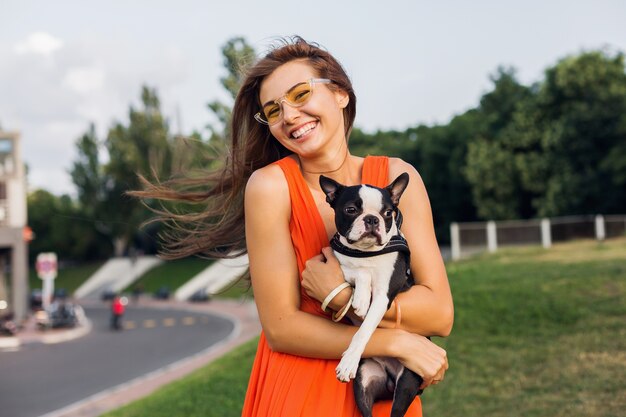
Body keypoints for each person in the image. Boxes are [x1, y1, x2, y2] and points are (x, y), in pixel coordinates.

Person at [135, 36, 453, 417]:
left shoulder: (399, 178)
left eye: (300, 94)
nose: (288, 115)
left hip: (380, 399)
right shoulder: (271, 187)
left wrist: (338, 296)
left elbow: (440, 313)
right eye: (272, 110)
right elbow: (282, 327)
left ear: (340, 93)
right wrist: (399, 343)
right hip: (301, 392)